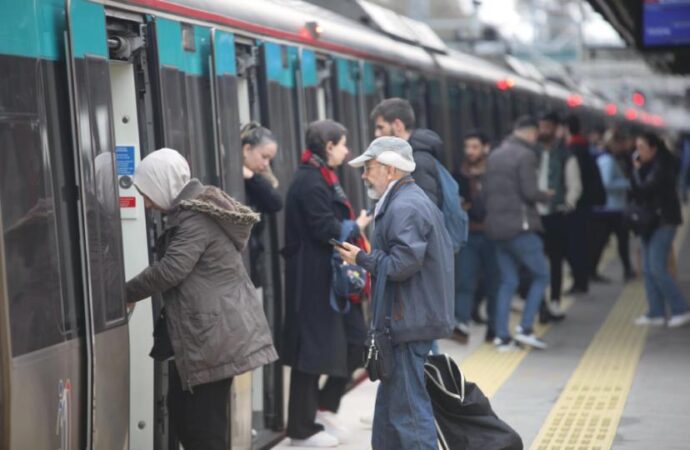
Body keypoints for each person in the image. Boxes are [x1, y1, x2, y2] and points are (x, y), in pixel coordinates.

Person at [125, 148, 278, 450]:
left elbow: (172, 269)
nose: (145, 203)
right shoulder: (193, 214)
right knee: (189, 419)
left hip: (212, 339)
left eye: (147, 193)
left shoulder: (195, 219)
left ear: (162, 183)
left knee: (202, 431)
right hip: (212, 335)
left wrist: (124, 294)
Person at [338, 136, 454, 450]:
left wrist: (361, 258)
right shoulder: (404, 200)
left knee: (409, 413)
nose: (364, 176)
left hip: (408, 320)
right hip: (406, 318)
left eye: (368, 168)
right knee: (392, 412)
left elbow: (403, 264)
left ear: (389, 170)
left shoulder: (406, 206)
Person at [282, 120, 372, 447]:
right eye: (344, 144)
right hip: (313, 280)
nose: (348, 151)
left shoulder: (321, 177)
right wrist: (355, 225)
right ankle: (301, 430)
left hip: (326, 279)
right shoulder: (310, 182)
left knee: (347, 344)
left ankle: (316, 414)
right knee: (311, 353)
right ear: (329, 146)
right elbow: (324, 229)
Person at [484, 116, 552, 351]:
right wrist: (547, 195)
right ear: (530, 132)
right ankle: (525, 328)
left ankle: (502, 336)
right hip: (520, 228)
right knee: (542, 275)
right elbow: (530, 192)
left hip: (496, 229)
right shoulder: (525, 155)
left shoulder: (494, 154)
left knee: (508, 281)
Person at [629, 133, 690, 327]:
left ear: (653, 148)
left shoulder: (662, 166)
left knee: (657, 267)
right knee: (647, 268)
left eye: (642, 148)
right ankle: (655, 312)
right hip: (650, 222)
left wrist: (637, 171)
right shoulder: (653, 165)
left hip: (663, 221)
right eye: (637, 147)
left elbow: (644, 190)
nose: (638, 152)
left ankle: (681, 308)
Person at [453, 130, 498, 342]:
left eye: (475, 147)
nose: (469, 151)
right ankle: (461, 324)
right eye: (467, 147)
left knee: (494, 281)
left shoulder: (496, 172)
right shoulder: (458, 174)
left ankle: (495, 326)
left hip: (493, 234)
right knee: (465, 279)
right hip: (469, 233)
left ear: (485, 148)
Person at [536, 111, 581, 323]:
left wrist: (568, 203)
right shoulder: (531, 151)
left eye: (548, 126)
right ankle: (540, 303)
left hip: (556, 214)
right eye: (541, 126)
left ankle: (554, 300)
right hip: (534, 214)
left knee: (555, 260)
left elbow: (574, 184)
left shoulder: (566, 154)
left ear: (556, 129)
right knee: (535, 261)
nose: (544, 130)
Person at [370, 97, 443, 206]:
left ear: (398, 125)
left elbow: (425, 212)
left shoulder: (418, 162)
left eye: (381, 127)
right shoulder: (404, 159)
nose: (376, 134)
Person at [563, 114, 606, 293]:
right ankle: (582, 280)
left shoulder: (574, 150)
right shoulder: (584, 147)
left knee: (575, 245)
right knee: (579, 243)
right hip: (586, 204)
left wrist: (568, 203)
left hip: (577, 206)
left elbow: (575, 183)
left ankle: (580, 281)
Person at [590, 128, 635, 281]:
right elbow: (607, 183)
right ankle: (594, 270)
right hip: (611, 208)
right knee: (611, 240)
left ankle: (625, 269)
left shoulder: (607, 158)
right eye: (621, 144)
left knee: (607, 241)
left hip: (611, 208)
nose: (623, 147)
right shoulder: (608, 160)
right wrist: (627, 183)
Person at [241, 122, 283, 287]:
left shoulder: (256, 178)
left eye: (269, 159)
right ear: (246, 150)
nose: (266, 164)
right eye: (264, 157)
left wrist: (251, 177)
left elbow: (275, 203)